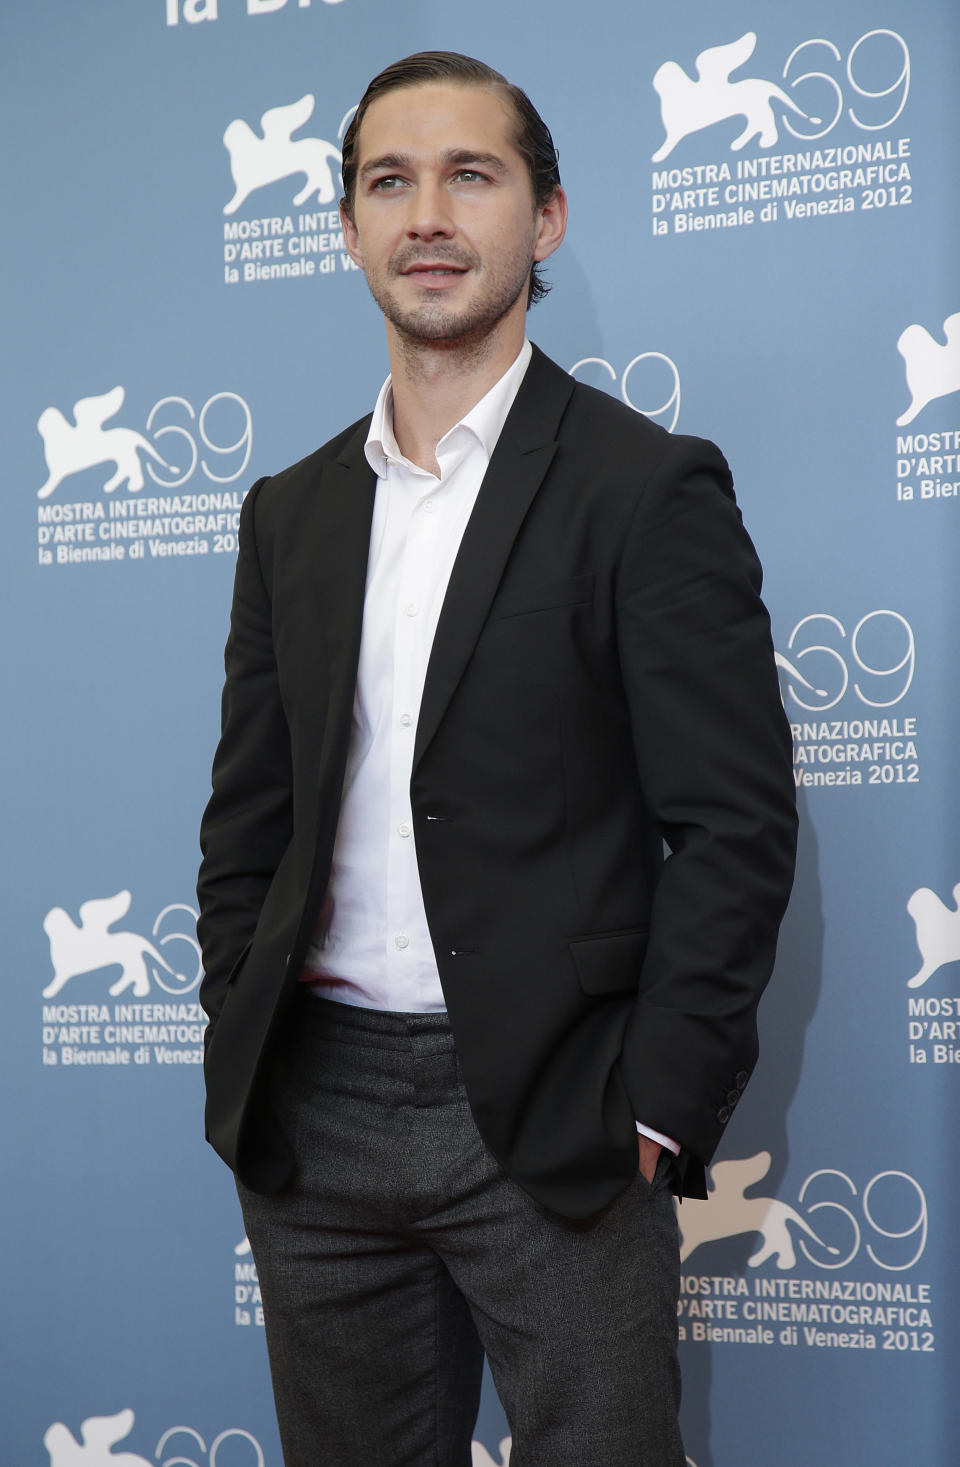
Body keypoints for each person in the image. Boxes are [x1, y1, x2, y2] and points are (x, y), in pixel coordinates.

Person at [197, 50, 798, 1467]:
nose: (427, 215)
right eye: (388, 181)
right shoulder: (288, 513)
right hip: (316, 1117)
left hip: (557, 1114)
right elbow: (249, 820)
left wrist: (657, 1105)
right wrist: (242, 1028)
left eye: (472, 175)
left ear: (549, 219)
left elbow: (736, 826)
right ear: (345, 230)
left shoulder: (645, 490)